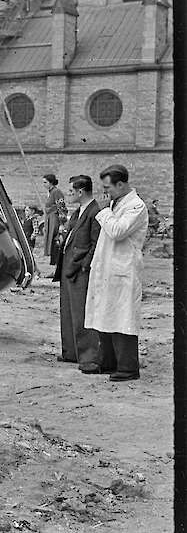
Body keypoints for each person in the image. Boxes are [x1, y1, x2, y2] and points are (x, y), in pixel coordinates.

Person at [85, 164, 149, 382]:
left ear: (121, 184)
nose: (106, 193)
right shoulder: (115, 202)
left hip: (123, 271)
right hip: (108, 269)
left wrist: (103, 211)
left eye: (108, 188)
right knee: (106, 315)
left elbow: (118, 231)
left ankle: (129, 368)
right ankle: (108, 362)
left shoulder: (136, 206)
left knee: (123, 319)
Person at [53, 175, 102, 373]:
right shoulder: (79, 211)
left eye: (72, 192)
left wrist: (84, 266)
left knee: (82, 314)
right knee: (68, 312)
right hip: (69, 269)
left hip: (80, 271)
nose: (69, 195)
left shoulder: (94, 212)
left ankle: (89, 359)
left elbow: (96, 243)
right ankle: (71, 352)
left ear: (81, 192)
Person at [42, 174, 66, 266]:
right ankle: (53, 263)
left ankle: (57, 264)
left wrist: (61, 223)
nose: (43, 184)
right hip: (49, 219)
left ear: (51, 182)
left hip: (55, 219)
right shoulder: (50, 193)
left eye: (45, 182)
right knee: (52, 242)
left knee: (55, 240)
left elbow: (61, 207)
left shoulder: (57, 192)